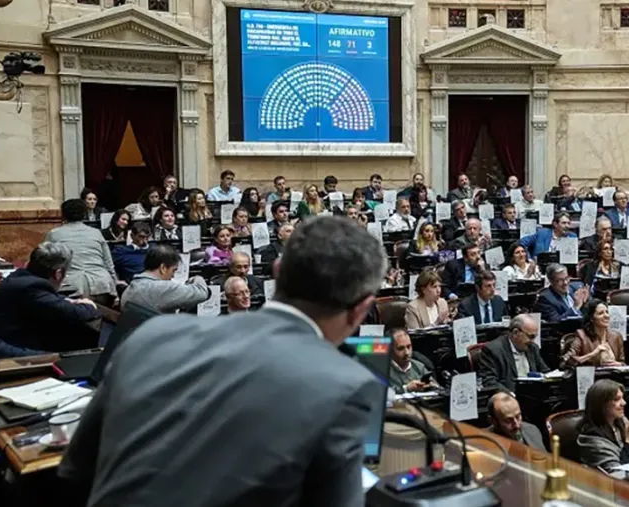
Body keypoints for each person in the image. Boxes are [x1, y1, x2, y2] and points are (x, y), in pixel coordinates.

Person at [60, 216, 387, 506]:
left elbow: (76, 472)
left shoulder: (153, 334)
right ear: (362, 309)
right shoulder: (346, 384)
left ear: (277, 272)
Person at [0, 242, 100, 352]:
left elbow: (51, 299)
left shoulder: (20, 277)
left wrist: (65, 300)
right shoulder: (32, 287)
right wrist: (88, 305)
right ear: (58, 274)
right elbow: (79, 313)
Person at [47, 199, 122, 307]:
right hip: (102, 285)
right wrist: (115, 287)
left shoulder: (54, 234)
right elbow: (109, 264)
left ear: (63, 215)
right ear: (84, 214)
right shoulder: (96, 233)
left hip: (69, 287)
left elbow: (45, 262)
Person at [571, 380, 629, 470]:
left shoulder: (622, 422)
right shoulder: (590, 439)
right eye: (617, 399)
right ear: (601, 404)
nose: (624, 403)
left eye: (622, 398)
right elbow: (617, 474)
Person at [120, 244, 211, 313]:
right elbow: (202, 292)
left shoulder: (132, 286)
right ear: (163, 268)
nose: (173, 276)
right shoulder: (160, 288)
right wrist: (197, 278)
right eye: (173, 270)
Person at [478, 314, 549, 393]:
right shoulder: (493, 350)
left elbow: (545, 372)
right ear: (515, 333)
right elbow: (489, 381)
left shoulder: (533, 348)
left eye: (535, 337)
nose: (533, 341)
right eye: (530, 336)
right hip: (508, 398)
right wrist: (510, 395)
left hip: (533, 396)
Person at [560, 300, 624, 368]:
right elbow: (566, 361)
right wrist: (592, 354)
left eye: (607, 312)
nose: (606, 316)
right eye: (601, 313)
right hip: (590, 376)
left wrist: (619, 364)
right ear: (591, 318)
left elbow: (622, 362)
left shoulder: (616, 336)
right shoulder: (582, 336)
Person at [388, 328, 437, 394]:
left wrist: (432, 386)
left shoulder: (419, 366)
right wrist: (407, 388)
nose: (407, 352)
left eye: (409, 347)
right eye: (400, 348)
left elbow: (436, 386)